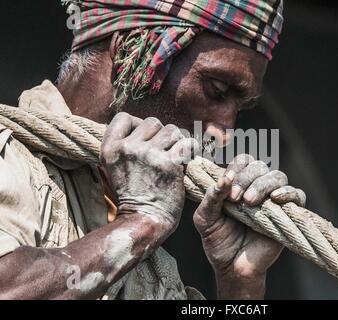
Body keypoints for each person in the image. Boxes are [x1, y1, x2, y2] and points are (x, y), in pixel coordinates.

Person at [0, 0, 306, 299]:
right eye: (216, 90)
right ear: (129, 50)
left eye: (238, 107)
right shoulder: (10, 160)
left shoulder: (158, 270)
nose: (224, 133)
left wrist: (240, 282)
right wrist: (140, 225)